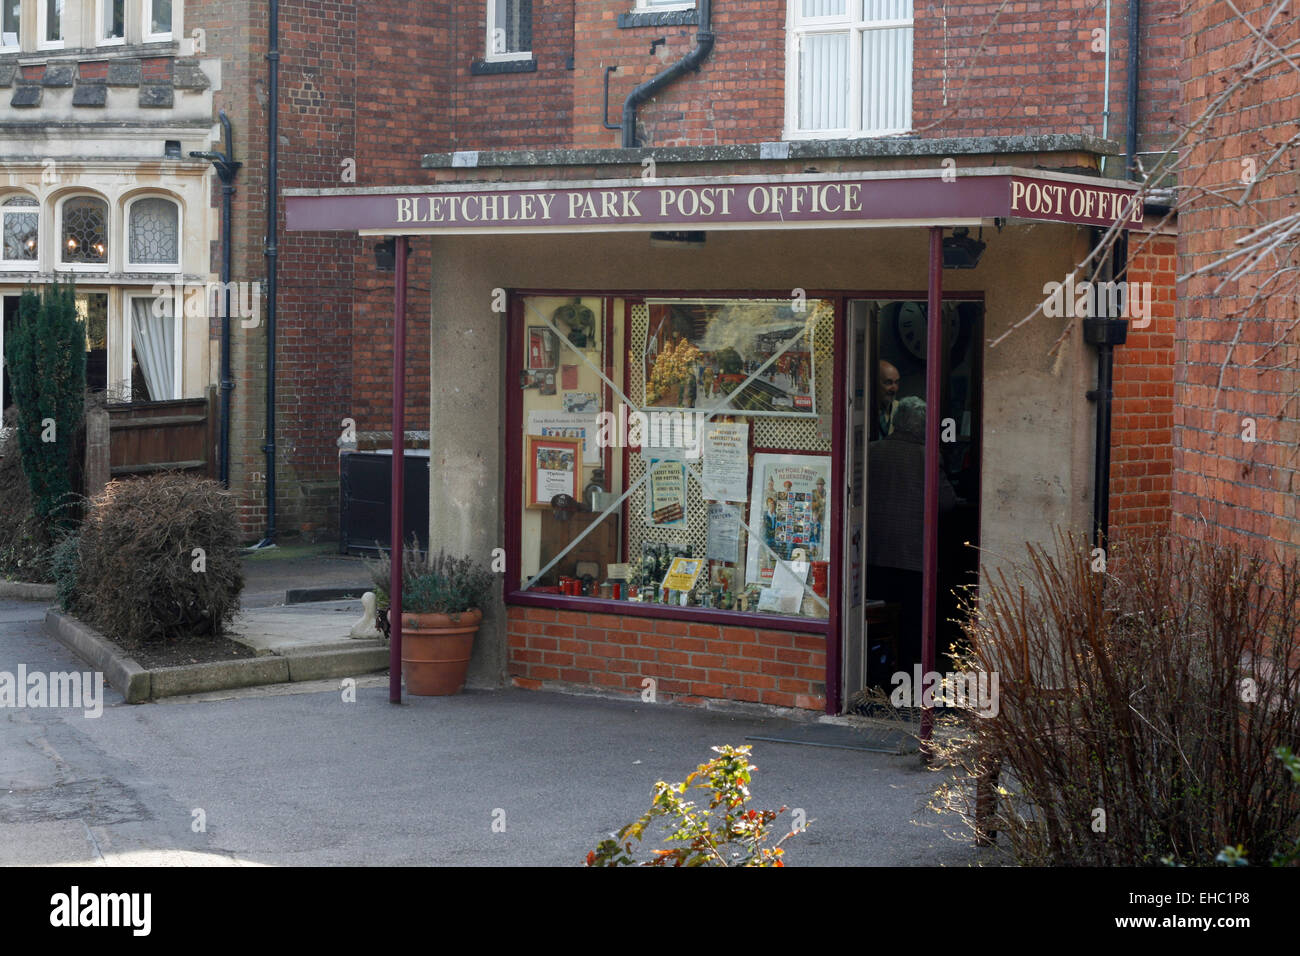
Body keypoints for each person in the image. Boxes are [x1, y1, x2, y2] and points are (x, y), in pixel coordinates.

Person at [866, 396, 958, 683]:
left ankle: (873, 672)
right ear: (923, 427)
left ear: (896, 422)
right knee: (910, 623)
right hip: (913, 556)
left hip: (874, 553)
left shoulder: (871, 452)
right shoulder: (928, 456)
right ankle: (905, 676)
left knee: (877, 616)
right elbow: (946, 503)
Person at [872, 360, 901, 440]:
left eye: (897, 383)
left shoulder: (901, 410)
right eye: (888, 383)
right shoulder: (865, 412)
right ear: (875, 383)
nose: (894, 388)